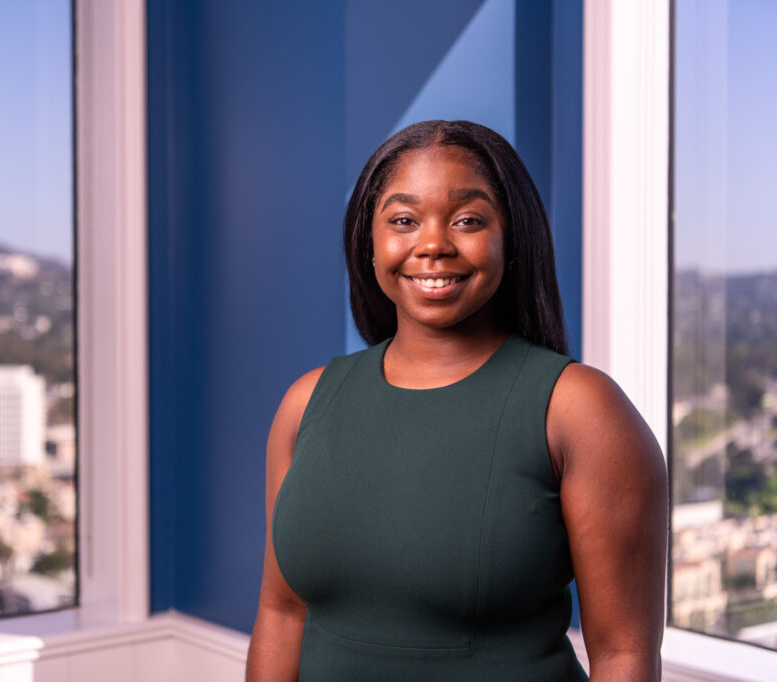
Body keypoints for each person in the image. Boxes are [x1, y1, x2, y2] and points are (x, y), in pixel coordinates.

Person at [246, 120, 667, 681]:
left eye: (468, 220)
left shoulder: (579, 409)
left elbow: (624, 656)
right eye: (403, 220)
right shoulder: (306, 405)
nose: (433, 244)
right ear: (368, 241)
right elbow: (282, 615)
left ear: (510, 238)